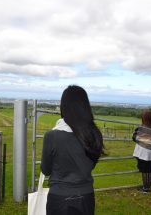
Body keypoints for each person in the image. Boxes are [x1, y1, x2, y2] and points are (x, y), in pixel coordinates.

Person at [41, 85, 104, 215]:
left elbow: (45, 170)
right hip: (86, 196)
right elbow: (90, 164)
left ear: (63, 106)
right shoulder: (94, 134)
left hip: (59, 198)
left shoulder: (52, 136)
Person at [132, 110, 151, 193]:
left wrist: (140, 138)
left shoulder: (141, 128)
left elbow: (134, 138)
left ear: (143, 119)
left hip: (142, 152)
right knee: (150, 170)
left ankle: (145, 188)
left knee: (144, 170)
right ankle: (147, 187)